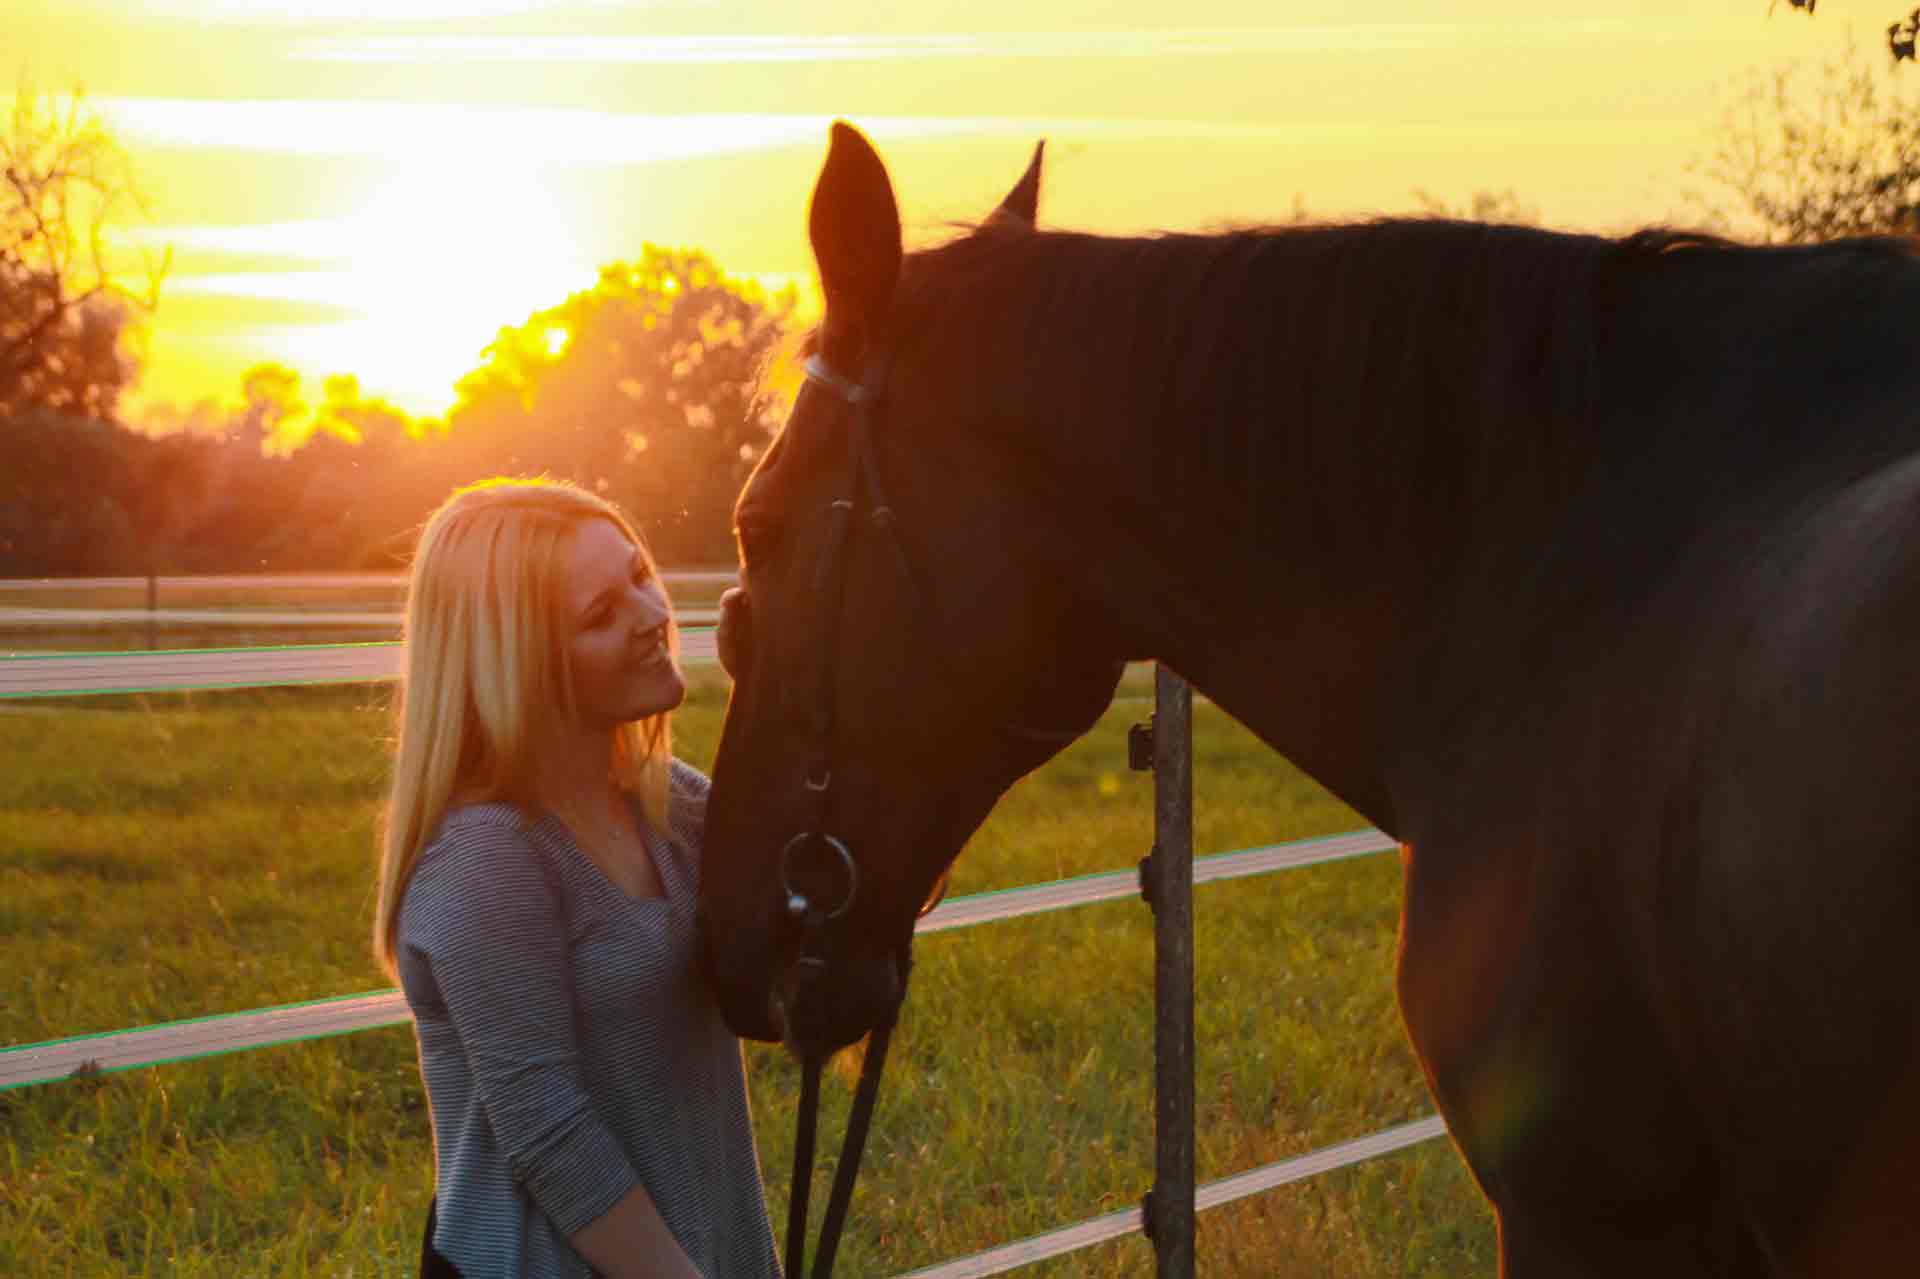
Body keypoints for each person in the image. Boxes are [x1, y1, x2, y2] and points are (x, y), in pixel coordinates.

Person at [371, 477, 780, 1279]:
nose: (653, 613)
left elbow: (788, 960)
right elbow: (549, 1131)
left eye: (638, 575)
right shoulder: (487, 855)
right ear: (519, 661)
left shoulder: (674, 804)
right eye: (602, 614)